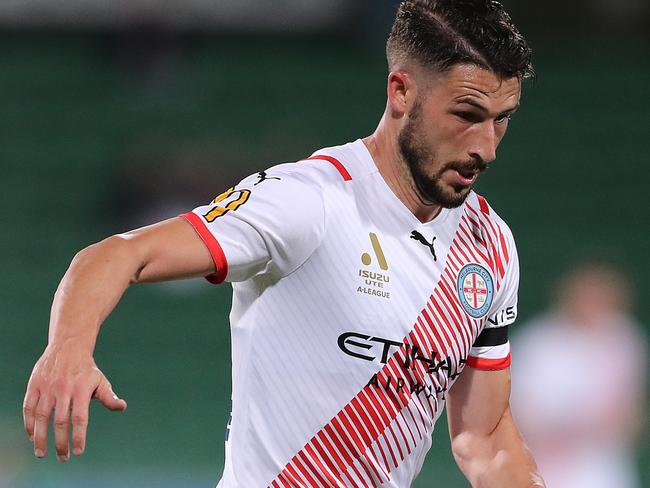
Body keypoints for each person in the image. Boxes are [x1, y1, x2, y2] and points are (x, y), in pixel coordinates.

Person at [23, 1, 545, 486]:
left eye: (502, 120)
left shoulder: (489, 244)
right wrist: (67, 348)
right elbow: (116, 253)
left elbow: (485, 437)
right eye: (467, 115)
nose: (486, 147)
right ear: (401, 92)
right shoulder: (309, 200)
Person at [511, 263, 647, 488]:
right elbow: (512, 417)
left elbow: (632, 417)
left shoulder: (626, 340)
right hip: (544, 470)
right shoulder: (535, 344)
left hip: (605, 472)